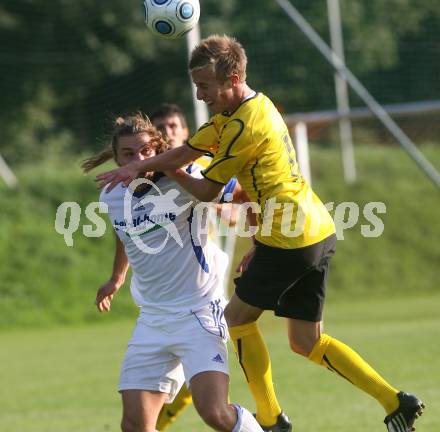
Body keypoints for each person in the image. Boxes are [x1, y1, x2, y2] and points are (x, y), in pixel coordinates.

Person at [95, 36, 425, 432]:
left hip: (290, 238)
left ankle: (270, 421)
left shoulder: (241, 127)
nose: (199, 96)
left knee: (234, 319)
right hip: (313, 230)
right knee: (306, 342)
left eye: (205, 87)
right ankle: (395, 401)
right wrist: (146, 170)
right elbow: (185, 154)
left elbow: (204, 190)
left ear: (232, 79)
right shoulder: (246, 108)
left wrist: (156, 170)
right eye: (196, 86)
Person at [83, 113, 266, 432]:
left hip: (199, 313)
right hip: (152, 319)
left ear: (158, 150)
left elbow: (242, 196)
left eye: (145, 152)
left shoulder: (186, 177)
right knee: (135, 426)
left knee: (215, 413)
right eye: (129, 154)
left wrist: (257, 245)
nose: (138, 159)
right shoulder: (111, 194)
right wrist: (116, 277)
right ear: (117, 158)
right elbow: (124, 232)